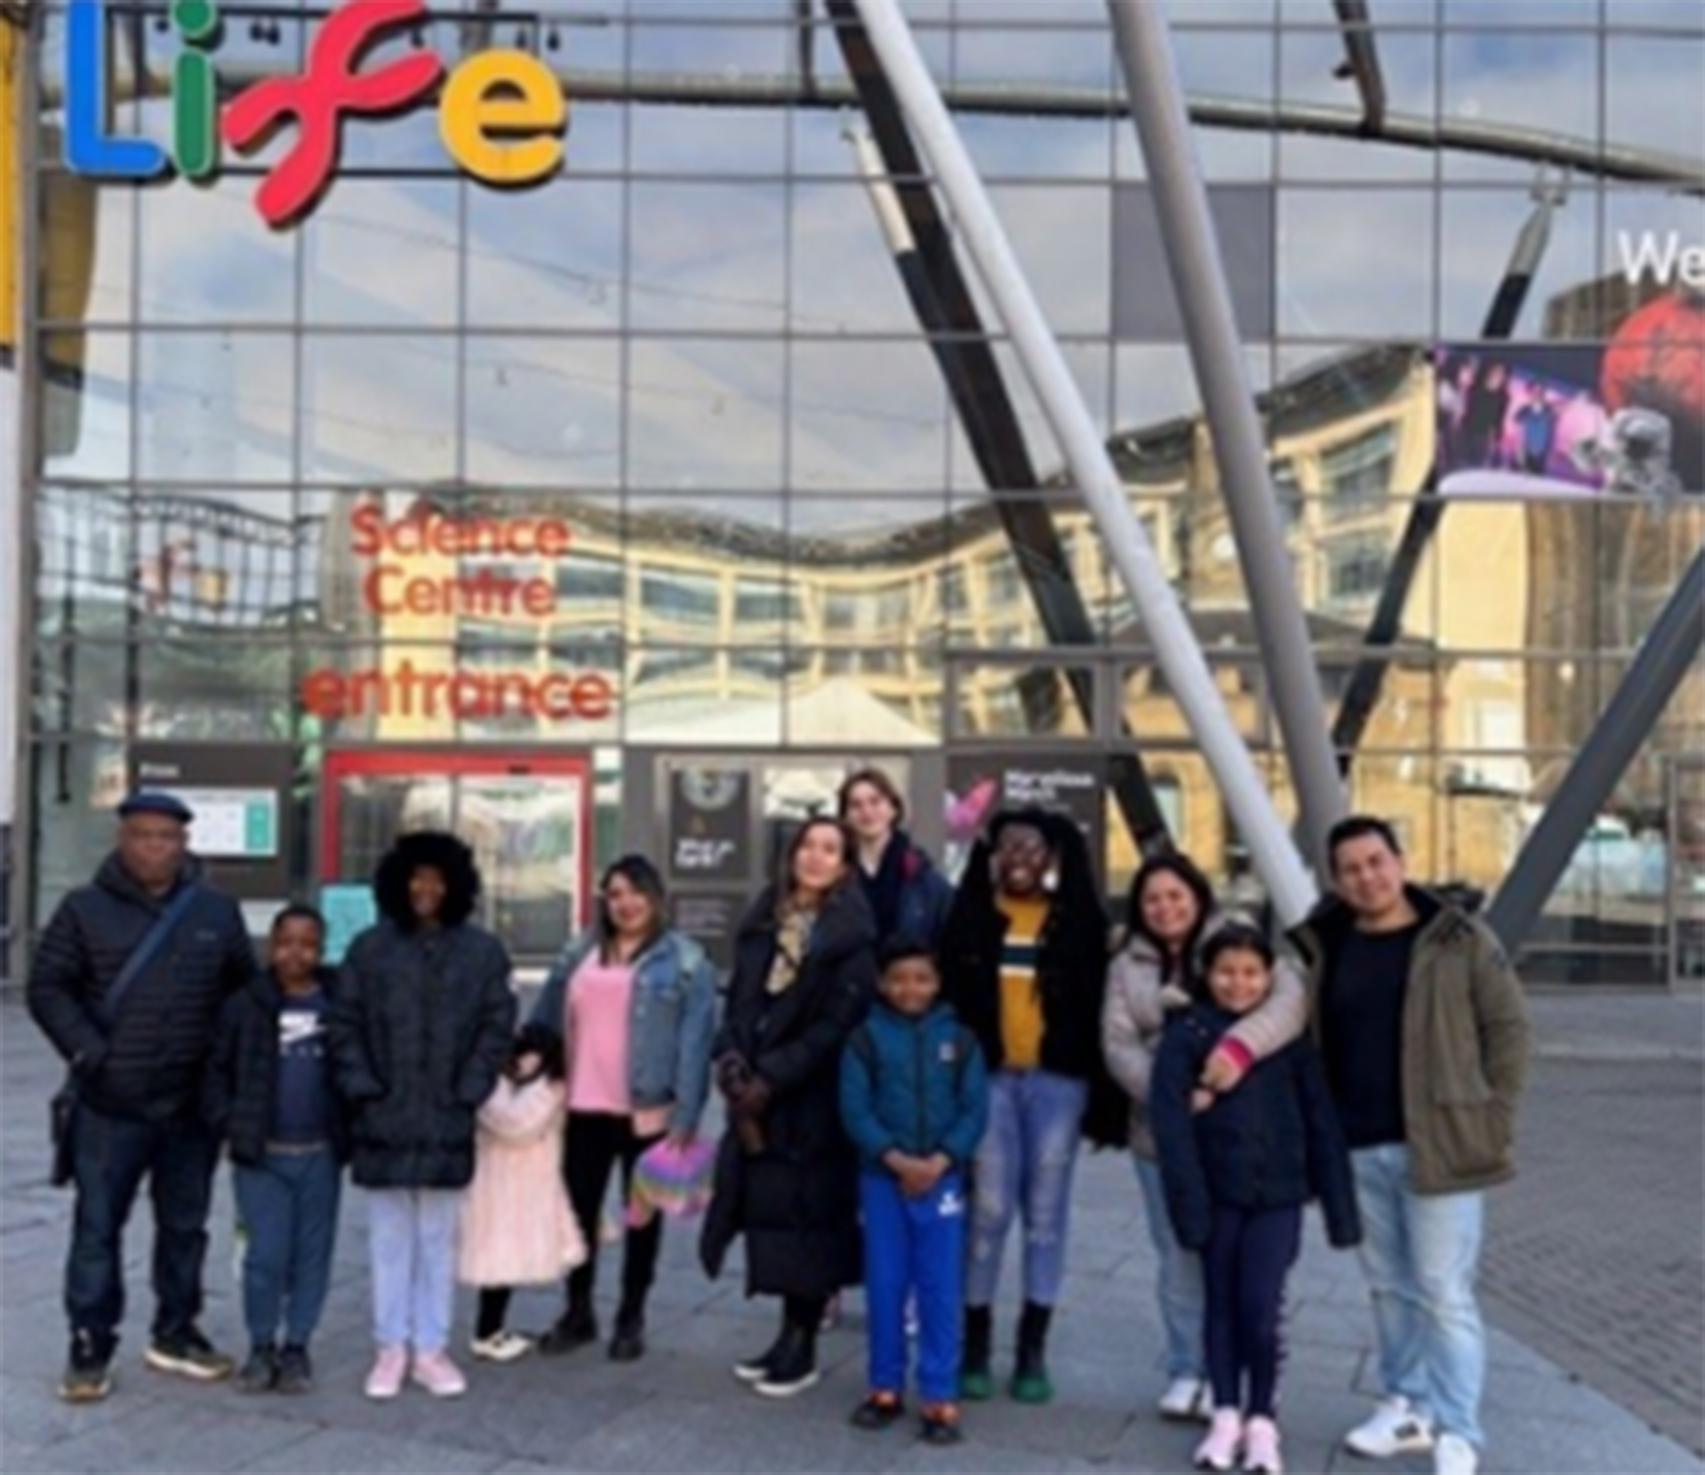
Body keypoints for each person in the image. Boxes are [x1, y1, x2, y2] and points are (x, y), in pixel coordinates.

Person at [1293, 816, 1529, 1475]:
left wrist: (1491, 1117)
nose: (1366, 876)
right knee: (1388, 1286)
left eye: (1375, 861)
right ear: (1335, 881)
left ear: (1399, 861)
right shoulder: (1327, 945)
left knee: (1441, 1289)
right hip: (1356, 1144)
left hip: (1438, 1147)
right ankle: (1407, 1404)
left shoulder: (1457, 939)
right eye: (1350, 868)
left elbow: (1507, 1030)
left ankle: (1457, 1426)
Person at [28, 790, 256, 1403]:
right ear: (121, 840)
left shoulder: (215, 911)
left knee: (185, 1226)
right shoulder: (82, 910)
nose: (154, 847)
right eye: (142, 835)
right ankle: (89, 1343)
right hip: (111, 1104)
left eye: (167, 837)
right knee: (98, 1227)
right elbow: (48, 988)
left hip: (189, 1108)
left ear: (184, 844)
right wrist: (88, 1052)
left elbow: (243, 994)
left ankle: (176, 1330)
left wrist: (223, 1072)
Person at [1102, 853, 1308, 1423]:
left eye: (1176, 895)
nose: (1165, 907)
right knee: (1178, 1254)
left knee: (1254, 1269)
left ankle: (1259, 1372)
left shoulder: (1239, 945)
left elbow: (1290, 1002)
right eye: (1152, 899)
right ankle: (1188, 1368)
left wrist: (1233, 1056)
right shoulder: (1127, 965)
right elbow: (1118, 1045)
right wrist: (1176, 1095)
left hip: (1247, 1137)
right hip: (1160, 1137)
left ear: (1197, 896)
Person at [1150, 924, 1362, 1475]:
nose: (1238, 983)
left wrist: (1339, 1206)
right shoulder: (1188, 1034)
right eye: (1225, 971)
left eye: (1250, 972)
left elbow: (1320, 1121)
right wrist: (1188, 1204)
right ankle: (1225, 1412)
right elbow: (1170, 1126)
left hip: (1278, 1196)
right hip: (1219, 1194)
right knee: (1219, 1303)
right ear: (1207, 974)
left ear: (1269, 977)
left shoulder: (1289, 1043)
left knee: (1261, 1309)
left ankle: (1262, 1417)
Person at [938, 807, 1124, 1405]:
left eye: (1033, 849)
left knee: (1045, 1215)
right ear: (991, 857)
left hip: (1056, 1085)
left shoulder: (1075, 923)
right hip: (989, 1082)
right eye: (1008, 848)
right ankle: (975, 1342)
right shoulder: (970, 918)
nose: (1020, 858)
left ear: (1053, 857)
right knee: (987, 1209)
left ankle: (1031, 1347)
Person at [328, 830, 517, 1401]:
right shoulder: (369, 949)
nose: (425, 889)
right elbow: (344, 1024)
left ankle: (430, 1348)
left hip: (446, 1113)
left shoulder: (481, 952)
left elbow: (496, 1023)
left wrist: (472, 1086)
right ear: (397, 881)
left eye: (437, 878)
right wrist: (361, 1086)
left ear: (456, 885)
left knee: (437, 1236)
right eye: (416, 877)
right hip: (383, 1114)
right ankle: (390, 1347)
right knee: (388, 1237)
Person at [700, 816, 877, 1399]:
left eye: (831, 850)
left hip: (812, 1099)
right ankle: (783, 1336)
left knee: (809, 1220)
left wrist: (772, 1076)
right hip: (757, 1098)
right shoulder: (763, 919)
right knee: (770, 1216)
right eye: (809, 846)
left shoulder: (850, 933)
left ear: (845, 865)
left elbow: (835, 1025)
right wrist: (730, 1058)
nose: (816, 857)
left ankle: (803, 1345)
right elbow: (740, 1000)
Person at [528, 855, 717, 1362]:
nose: (625, 904)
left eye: (635, 893)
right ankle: (578, 1310)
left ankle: (631, 1315)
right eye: (614, 894)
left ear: (656, 898)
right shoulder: (578, 953)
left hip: (647, 1112)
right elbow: (544, 1020)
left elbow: (695, 1046)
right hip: (583, 1108)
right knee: (579, 1216)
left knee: (641, 1219)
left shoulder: (687, 961)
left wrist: (686, 1117)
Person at [839, 940, 988, 1446]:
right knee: (885, 1283)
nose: (910, 988)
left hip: (942, 1179)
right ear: (883, 983)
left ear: (937, 982)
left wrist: (943, 1159)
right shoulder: (865, 1040)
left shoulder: (961, 1041)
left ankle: (939, 1394)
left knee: (940, 1288)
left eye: (921, 978)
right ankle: (884, 1385)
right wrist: (894, 1158)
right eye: (899, 978)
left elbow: (974, 1109)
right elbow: (855, 1109)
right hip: (884, 1180)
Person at [202, 904, 345, 1395]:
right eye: (285, 942)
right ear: (270, 945)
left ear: (322, 949)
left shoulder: (338, 1004)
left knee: (312, 1256)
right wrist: (230, 1125)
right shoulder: (245, 1005)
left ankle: (297, 1345)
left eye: (307, 944)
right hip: (262, 1154)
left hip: (319, 1152)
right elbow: (216, 1071)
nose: (295, 953)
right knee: (264, 1256)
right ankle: (261, 1344)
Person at [458, 1023, 587, 1363]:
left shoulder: (540, 1087)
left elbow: (514, 1123)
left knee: (501, 1263)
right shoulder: (544, 1086)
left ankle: (490, 1329)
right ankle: (488, 1333)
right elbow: (514, 1124)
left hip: (517, 1187)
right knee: (499, 1263)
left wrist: (489, 1089)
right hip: (506, 1189)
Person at [838, 769, 954, 949]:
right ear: (845, 816)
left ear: (893, 808)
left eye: (875, 801)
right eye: (855, 805)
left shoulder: (924, 879)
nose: (867, 812)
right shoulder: (835, 876)